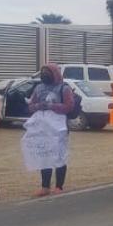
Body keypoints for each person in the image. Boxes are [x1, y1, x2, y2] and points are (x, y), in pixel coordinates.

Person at [25, 64, 77, 196]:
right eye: (42, 73)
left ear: (54, 73)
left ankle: (59, 186)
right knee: (45, 155)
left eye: (47, 72)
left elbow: (69, 106)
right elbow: (30, 106)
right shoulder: (39, 88)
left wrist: (52, 106)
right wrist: (38, 106)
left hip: (59, 127)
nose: (44, 75)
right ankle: (45, 186)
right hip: (43, 127)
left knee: (59, 155)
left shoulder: (64, 88)